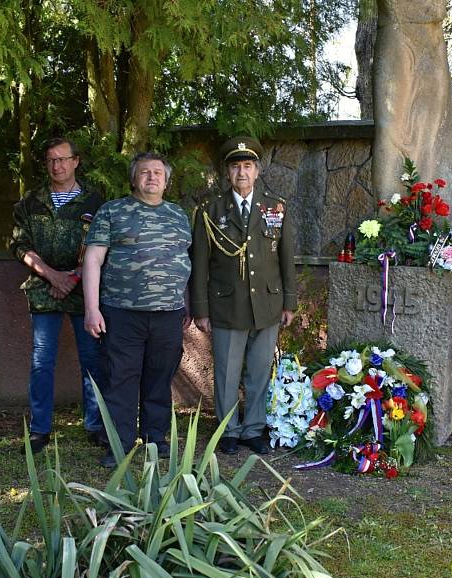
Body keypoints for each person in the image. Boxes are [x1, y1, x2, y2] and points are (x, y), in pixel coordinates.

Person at [83, 152, 192, 468]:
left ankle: (156, 439)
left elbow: (183, 261)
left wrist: (184, 301)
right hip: (121, 312)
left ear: (166, 180)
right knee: (121, 379)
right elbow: (93, 260)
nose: (152, 177)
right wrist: (92, 309)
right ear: (134, 179)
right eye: (144, 172)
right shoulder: (112, 212)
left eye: (158, 172)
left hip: (168, 314)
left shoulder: (178, 215)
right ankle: (118, 445)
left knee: (160, 378)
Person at [190, 137, 296, 455]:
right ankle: (228, 431)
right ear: (227, 172)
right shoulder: (210, 211)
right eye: (236, 166)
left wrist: (289, 301)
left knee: (260, 369)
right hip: (226, 303)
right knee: (227, 371)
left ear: (257, 170)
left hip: (267, 302)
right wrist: (200, 309)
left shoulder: (277, 208)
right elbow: (199, 264)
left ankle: (253, 429)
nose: (242, 172)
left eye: (247, 166)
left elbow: (287, 258)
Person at [9, 137, 106, 453]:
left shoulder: (96, 201)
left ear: (76, 161)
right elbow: (19, 245)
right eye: (51, 160)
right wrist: (53, 276)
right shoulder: (30, 201)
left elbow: (103, 245)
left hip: (84, 289)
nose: (57, 166)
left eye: (63, 159)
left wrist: (73, 277)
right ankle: (39, 430)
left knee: (92, 359)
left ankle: (95, 424)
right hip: (43, 287)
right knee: (42, 361)